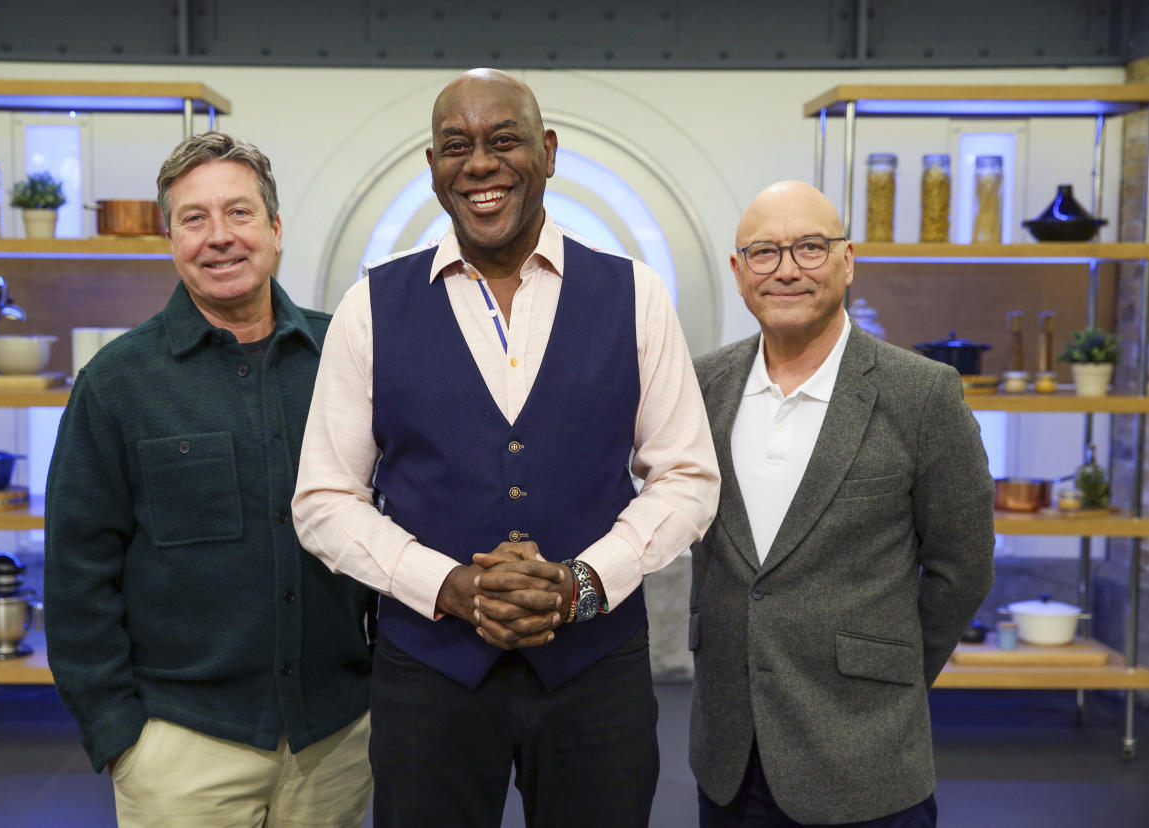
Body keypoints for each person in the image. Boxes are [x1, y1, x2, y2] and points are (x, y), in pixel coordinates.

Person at [292, 68, 720, 828]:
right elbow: (324, 499)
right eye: (455, 145)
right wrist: (447, 585)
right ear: (432, 169)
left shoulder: (635, 294)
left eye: (504, 140)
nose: (479, 164)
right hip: (429, 674)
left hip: (594, 672)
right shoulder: (370, 307)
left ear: (548, 152)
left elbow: (685, 476)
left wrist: (583, 582)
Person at [44, 131, 375, 828]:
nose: (218, 237)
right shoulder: (118, 384)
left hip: (336, 743)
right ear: (170, 239)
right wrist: (118, 735)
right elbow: (78, 571)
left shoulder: (343, 360)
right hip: (181, 750)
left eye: (240, 213)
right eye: (194, 219)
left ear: (276, 229)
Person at [689, 180, 995, 827]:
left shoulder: (922, 394)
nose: (787, 270)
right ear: (738, 271)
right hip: (727, 756)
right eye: (765, 253)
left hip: (864, 754)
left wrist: (889, 676)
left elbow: (961, 566)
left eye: (809, 247)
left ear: (846, 259)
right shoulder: (703, 384)